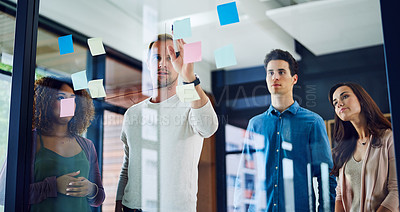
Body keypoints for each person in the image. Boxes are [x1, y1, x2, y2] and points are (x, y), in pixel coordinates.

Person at [115, 34, 218, 212]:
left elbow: (209, 128)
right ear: (148, 63)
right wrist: (118, 204)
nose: (162, 63)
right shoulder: (132, 113)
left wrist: (190, 78)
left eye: (170, 58)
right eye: (157, 57)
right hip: (131, 208)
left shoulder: (191, 104)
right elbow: (128, 165)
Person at [234, 49, 336, 212]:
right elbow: (245, 177)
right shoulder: (255, 124)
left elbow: (326, 177)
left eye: (281, 72)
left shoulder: (312, 122)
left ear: (294, 79)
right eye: (270, 73)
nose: (275, 77)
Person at [29, 77, 105, 211]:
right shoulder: (30, 140)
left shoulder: (87, 145)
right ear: (45, 102)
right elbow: (6, 192)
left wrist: (91, 189)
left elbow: (99, 197)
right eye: (60, 98)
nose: (68, 104)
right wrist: (53, 186)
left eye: (73, 99)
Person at [329, 82, 398, 212]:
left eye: (344, 96)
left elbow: (396, 191)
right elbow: (340, 194)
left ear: (361, 100)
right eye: (335, 102)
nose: (339, 104)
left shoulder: (388, 138)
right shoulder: (345, 147)